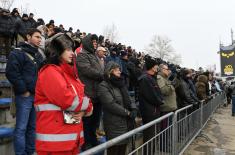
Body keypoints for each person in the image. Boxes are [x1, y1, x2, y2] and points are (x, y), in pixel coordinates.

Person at [34, 33, 93, 155]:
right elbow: (68, 100)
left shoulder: (70, 75)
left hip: (70, 141)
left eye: (72, 49)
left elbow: (83, 99)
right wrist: (87, 106)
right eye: (67, 49)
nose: (72, 53)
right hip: (55, 144)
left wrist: (83, 110)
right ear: (57, 51)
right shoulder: (50, 71)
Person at [6, 28, 44, 155]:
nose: (40, 39)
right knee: (21, 128)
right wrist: (23, 90)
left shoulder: (38, 55)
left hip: (36, 96)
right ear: (28, 37)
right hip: (25, 96)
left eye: (41, 37)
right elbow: (11, 73)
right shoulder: (17, 52)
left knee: (32, 127)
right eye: (37, 37)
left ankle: (30, 151)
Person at [98, 62, 137, 155]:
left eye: (119, 69)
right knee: (114, 149)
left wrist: (134, 109)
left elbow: (129, 98)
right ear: (110, 71)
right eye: (117, 69)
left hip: (126, 122)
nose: (120, 71)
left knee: (123, 149)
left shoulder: (121, 84)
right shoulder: (103, 85)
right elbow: (110, 104)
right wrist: (127, 113)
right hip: (114, 123)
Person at [76, 34, 104, 150]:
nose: (95, 44)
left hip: (97, 93)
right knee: (87, 121)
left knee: (95, 121)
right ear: (87, 42)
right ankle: (85, 143)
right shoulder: (82, 55)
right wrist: (103, 75)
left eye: (96, 42)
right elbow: (87, 70)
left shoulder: (95, 56)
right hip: (88, 93)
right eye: (93, 42)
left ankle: (92, 140)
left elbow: (100, 70)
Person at [138, 58, 164, 155]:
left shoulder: (151, 77)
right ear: (152, 67)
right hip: (149, 112)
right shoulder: (145, 78)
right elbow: (151, 95)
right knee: (149, 137)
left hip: (154, 111)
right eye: (156, 65)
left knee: (154, 137)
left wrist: (160, 99)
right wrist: (161, 101)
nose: (158, 67)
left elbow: (158, 93)